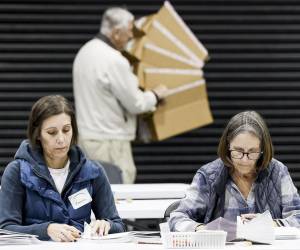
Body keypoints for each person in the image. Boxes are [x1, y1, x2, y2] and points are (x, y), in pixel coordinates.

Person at [0, 95, 125, 241]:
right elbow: (5, 229)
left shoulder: (93, 171)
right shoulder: (16, 172)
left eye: (66, 130)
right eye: (52, 133)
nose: (61, 139)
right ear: (38, 134)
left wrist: (107, 225)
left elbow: (119, 225)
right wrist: (46, 230)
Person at [73, 7, 167, 184]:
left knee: (91, 194)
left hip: (87, 139)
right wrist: (155, 95)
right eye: (129, 30)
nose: (132, 36)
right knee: (117, 197)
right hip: (110, 143)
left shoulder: (84, 52)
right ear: (116, 32)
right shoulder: (114, 60)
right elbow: (136, 103)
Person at [169, 111, 300, 232]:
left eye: (252, 152)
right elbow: (177, 218)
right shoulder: (208, 175)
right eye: (238, 151)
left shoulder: (277, 172)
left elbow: (297, 216)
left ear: (263, 150)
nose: (245, 160)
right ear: (227, 146)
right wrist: (203, 229)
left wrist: (271, 224)